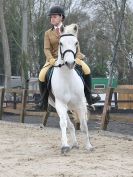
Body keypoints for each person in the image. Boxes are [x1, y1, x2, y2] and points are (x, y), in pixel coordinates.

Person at [37, 5, 100, 110]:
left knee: (87, 70)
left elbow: (76, 46)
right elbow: (46, 49)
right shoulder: (47, 33)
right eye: (51, 17)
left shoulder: (70, 30)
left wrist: (77, 57)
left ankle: (89, 97)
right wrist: (51, 60)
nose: (52, 18)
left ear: (61, 17)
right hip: (53, 59)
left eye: (54, 16)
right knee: (41, 75)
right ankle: (43, 101)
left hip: (71, 58)